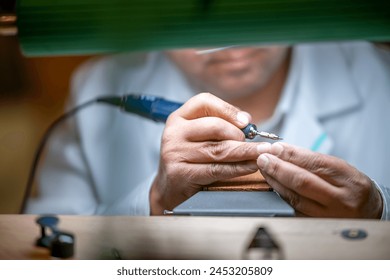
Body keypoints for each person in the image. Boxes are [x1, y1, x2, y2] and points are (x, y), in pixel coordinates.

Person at [25, 41, 390, 219]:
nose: (230, 42)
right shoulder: (99, 85)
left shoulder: (379, 74)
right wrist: (152, 203)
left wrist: (379, 212)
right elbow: (39, 256)